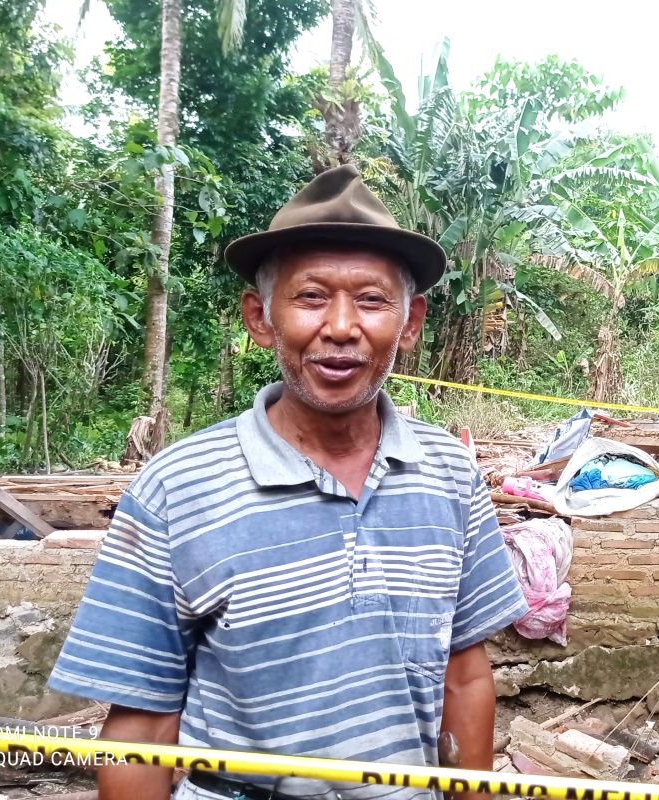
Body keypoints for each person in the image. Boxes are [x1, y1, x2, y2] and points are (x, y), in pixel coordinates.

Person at [48, 165, 528, 800]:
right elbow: (144, 722)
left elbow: (464, 678)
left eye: (372, 299)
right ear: (260, 317)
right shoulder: (176, 489)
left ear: (410, 322)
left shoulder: (451, 475)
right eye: (309, 297)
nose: (340, 326)